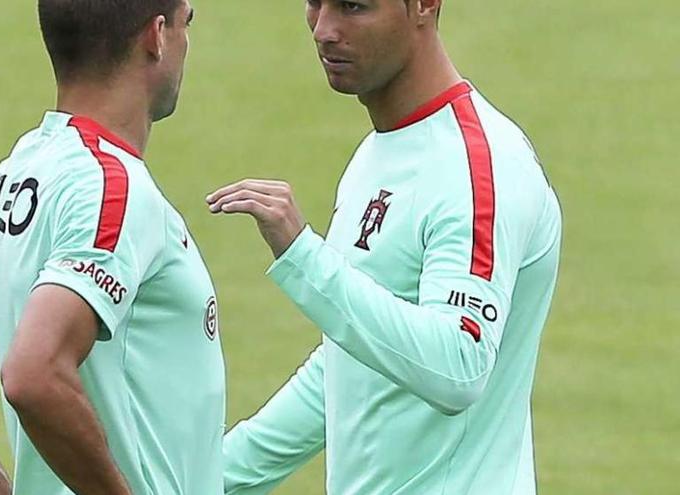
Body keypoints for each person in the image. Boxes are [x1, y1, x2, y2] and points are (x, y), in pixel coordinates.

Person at [208, 0, 561, 493]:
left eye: (354, 6)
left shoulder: (480, 169)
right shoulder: (380, 152)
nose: (324, 30)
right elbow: (350, 363)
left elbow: (459, 365)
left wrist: (305, 258)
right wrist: (205, 479)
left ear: (424, 5)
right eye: (315, 3)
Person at [0, 1, 225, 494]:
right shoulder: (112, 189)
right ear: (157, 36)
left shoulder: (22, 173)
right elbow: (33, 374)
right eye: (187, 21)